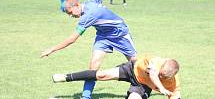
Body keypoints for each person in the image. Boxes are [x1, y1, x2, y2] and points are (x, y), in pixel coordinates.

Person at [40, 0, 136, 99]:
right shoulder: (91, 2)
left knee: (136, 64)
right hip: (103, 36)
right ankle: (86, 97)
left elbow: (72, 39)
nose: (71, 16)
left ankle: (157, 84)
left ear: (76, 5)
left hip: (120, 34)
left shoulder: (88, 16)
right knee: (93, 66)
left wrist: (52, 49)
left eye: (70, 12)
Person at [52, 55, 181, 99]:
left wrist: (169, 93)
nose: (160, 75)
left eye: (163, 76)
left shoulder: (173, 84)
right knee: (101, 75)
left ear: (171, 77)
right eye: (160, 72)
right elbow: (153, 74)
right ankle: (66, 77)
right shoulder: (157, 61)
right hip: (132, 69)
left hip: (142, 86)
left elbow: (175, 95)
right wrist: (161, 88)